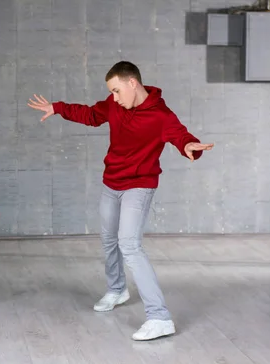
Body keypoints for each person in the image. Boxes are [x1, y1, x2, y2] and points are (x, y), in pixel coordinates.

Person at [27, 61, 213, 341]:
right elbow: (91, 114)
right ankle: (117, 289)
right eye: (111, 92)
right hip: (111, 182)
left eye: (116, 90)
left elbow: (180, 136)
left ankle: (160, 317)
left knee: (130, 244)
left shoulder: (160, 115)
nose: (113, 98)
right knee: (108, 239)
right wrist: (57, 108)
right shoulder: (114, 106)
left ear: (132, 83)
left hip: (139, 185)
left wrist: (189, 146)